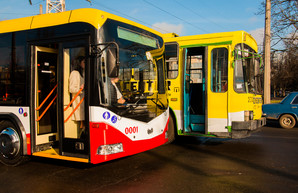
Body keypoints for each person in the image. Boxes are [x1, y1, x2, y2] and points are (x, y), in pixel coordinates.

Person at [69, 56, 85, 131]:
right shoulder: (74, 73)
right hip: (79, 103)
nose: (86, 64)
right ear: (79, 63)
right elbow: (71, 89)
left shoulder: (83, 73)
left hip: (84, 103)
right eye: (84, 62)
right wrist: (80, 89)